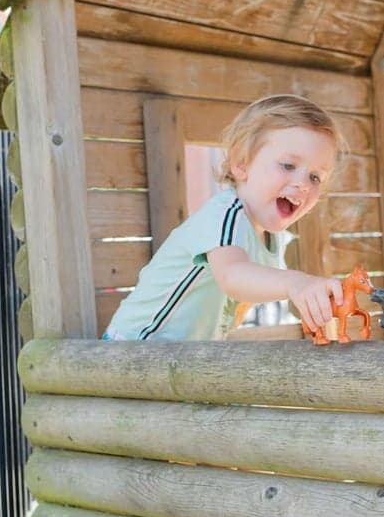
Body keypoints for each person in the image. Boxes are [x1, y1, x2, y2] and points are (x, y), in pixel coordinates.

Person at [103, 94, 347, 341]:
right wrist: (296, 283)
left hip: (176, 364)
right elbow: (232, 276)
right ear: (241, 164)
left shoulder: (271, 239)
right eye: (287, 165)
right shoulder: (227, 215)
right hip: (133, 349)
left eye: (315, 177)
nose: (303, 184)